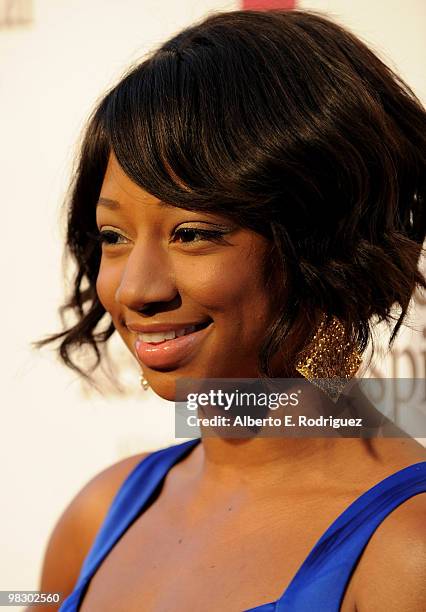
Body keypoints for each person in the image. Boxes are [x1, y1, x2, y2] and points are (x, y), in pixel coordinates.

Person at [30, 9, 426, 612]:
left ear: (330, 242)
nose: (137, 289)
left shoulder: (409, 547)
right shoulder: (98, 516)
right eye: (114, 236)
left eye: (192, 233)